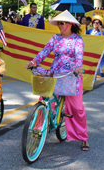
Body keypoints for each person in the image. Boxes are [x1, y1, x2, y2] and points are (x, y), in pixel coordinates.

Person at [26, 10, 89, 151]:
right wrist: (34, 61)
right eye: (58, 23)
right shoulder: (55, 38)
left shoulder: (77, 40)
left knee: (77, 108)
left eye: (62, 23)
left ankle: (83, 137)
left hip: (72, 76)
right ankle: (38, 130)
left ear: (70, 24)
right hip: (55, 74)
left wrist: (79, 67)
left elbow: (79, 55)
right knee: (45, 100)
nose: (59, 26)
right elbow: (44, 52)